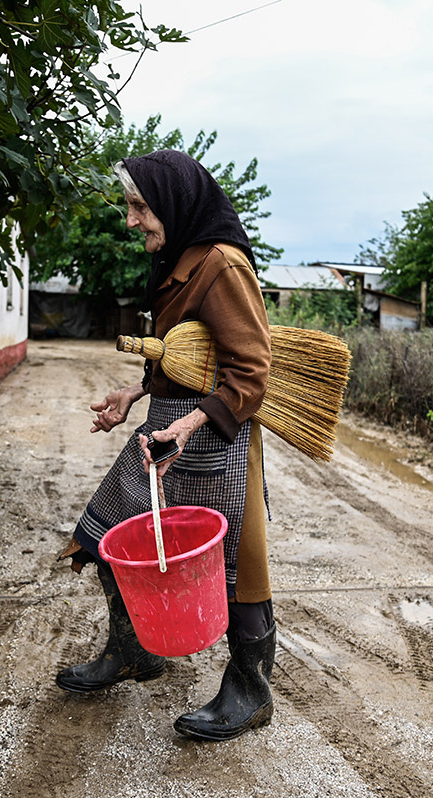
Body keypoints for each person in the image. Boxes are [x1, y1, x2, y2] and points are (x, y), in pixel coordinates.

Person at [55, 149, 275, 741]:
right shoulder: (178, 262)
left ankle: (250, 692)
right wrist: (135, 392)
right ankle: (134, 652)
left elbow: (251, 372)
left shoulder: (222, 267)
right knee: (107, 534)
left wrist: (190, 425)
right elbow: (186, 358)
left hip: (216, 437)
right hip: (168, 428)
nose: (131, 220)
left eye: (139, 207)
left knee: (237, 569)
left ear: (174, 205)